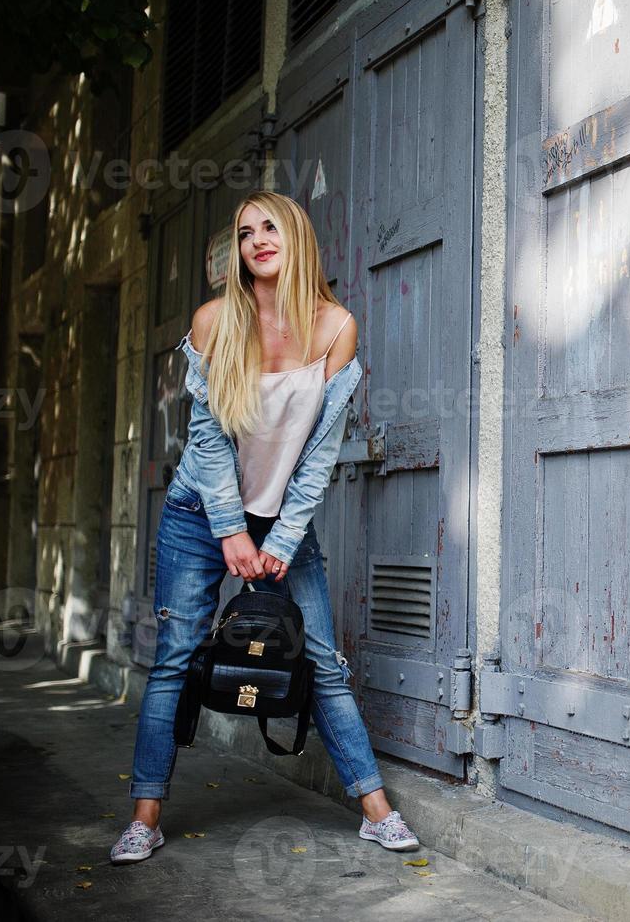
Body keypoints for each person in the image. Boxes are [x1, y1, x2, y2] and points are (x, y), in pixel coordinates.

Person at [110, 190, 419, 864]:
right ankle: (144, 816)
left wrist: (276, 540)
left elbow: (318, 455)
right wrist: (231, 531)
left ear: (297, 235)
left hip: (281, 516)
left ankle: (374, 810)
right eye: (245, 232)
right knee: (174, 660)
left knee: (324, 664)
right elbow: (210, 441)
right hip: (200, 512)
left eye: (270, 226)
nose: (257, 240)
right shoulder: (216, 320)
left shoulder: (335, 327)